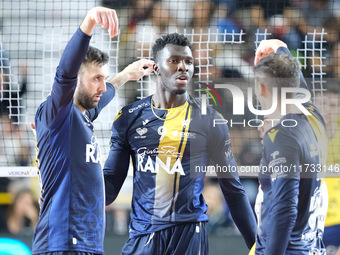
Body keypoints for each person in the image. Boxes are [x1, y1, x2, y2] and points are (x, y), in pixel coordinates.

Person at [103, 32, 257, 254]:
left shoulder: (210, 120)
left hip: (189, 236)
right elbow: (110, 189)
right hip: (143, 234)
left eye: (188, 62)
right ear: (156, 68)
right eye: (174, 61)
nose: (183, 67)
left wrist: (256, 246)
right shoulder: (129, 117)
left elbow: (233, 191)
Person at [32, 7, 154, 254]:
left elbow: (103, 96)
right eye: (95, 78)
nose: (101, 86)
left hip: (89, 243)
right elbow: (65, 74)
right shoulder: (56, 113)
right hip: (61, 243)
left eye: (104, 78)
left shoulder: (82, 116)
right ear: (76, 80)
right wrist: (88, 23)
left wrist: (124, 76)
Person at [250, 39, 328, 255]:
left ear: (262, 88)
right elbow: (293, 78)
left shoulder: (282, 136)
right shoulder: (313, 116)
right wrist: (275, 47)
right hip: (311, 245)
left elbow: (284, 210)